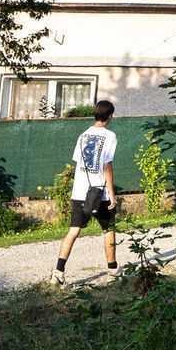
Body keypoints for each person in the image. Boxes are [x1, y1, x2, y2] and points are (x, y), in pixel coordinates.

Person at [53, 98, 119, 285]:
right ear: (110, 116)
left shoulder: (82, 136)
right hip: (100, 192)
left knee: (73, 231)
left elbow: (79, 162)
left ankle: (58, 272)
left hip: (80, 191)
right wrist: (112, 193)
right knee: (108, 228)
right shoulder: (110, 136)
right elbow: (107, 165)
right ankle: (112, 270)